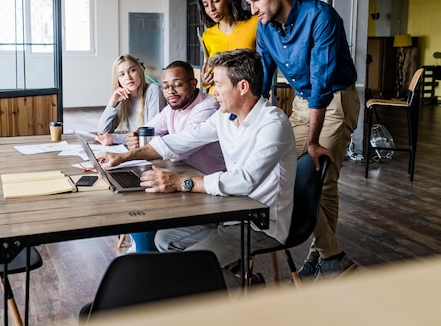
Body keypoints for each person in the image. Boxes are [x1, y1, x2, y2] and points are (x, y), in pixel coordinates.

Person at [97, 49, 296, 269]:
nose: (214, 92)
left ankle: (233, 290)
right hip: (227, 210)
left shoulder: (273, 124)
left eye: (219, 85)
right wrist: (124, 156)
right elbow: (181, 140)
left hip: (260, 224)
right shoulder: (224, 117)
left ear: (242, 87)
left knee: (188, 268)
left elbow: (244, 180)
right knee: (164, 240)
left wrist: (181, 182)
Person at [237, 0, 361, 278]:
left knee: (324, 182)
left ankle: (320, 257)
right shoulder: (265, 29)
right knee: (281, 170)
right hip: (302, 102)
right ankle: (332, 257)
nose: (252, 9)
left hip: (334, 100)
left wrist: (314, 140)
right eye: (249, 1)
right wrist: (248, 121)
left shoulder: (320, 16)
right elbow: (263, 79)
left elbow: (321, 82)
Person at [125, 60, 226, 252]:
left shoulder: (207, 107)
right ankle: (142, 258)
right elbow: (148, 130)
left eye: (177, 84)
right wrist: (136, 136)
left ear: (193, 83)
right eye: (165, 87)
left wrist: (133, 152)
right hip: (184, 182)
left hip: (208, 190)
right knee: (140, 205)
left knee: (146, 211)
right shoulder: (172, 108)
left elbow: (180, 150)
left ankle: (147, 263)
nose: (170, 91)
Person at [197, 0, 258, 93]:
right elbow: (209, 70)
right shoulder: (207, 35)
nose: (211, 8)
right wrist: (206, 79)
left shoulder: (254, 23)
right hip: (217, 99)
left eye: (216, 0)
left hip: (246, 96)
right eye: (206, 5)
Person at [96, 55, 165, 146]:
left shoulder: (154, 90)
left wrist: (115, 138)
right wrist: (112, 104)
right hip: (136, 149)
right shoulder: (123, 98)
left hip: (156, 151)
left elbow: (152, 134)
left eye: (132, 70)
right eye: (122, 74)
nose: (128, 77)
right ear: (118, 80)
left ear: (139, 71)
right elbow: (102, 131)